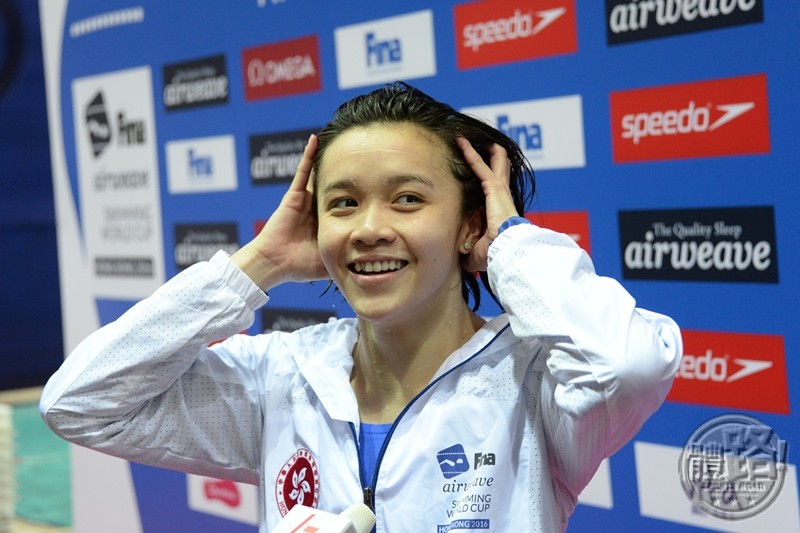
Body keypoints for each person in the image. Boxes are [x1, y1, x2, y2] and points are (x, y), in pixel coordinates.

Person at [40, 81, 682, 532]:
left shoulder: (533, 380)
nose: (368, 227)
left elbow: (626, 365)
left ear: (468, 226)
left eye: (406, 199)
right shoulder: (281, 376)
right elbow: (78, 401)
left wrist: (511, 248)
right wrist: (255, 265)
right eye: (342, 203)